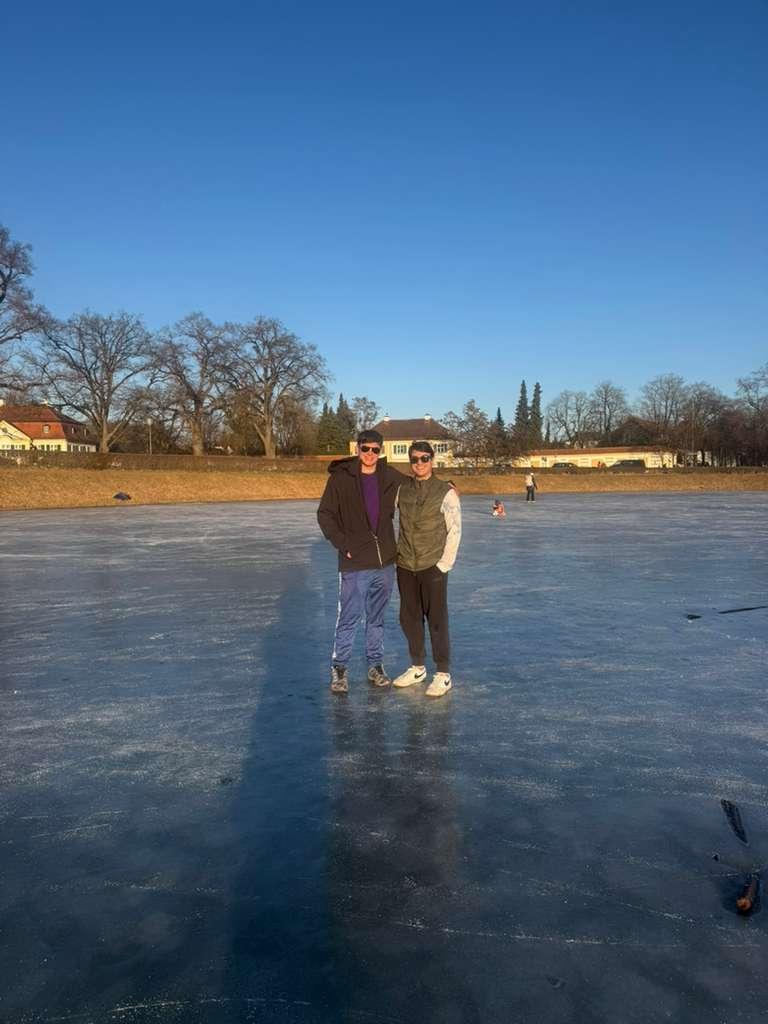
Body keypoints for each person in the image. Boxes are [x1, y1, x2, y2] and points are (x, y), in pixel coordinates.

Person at [317, 430, 402, 694]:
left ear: (381, 451)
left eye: (375, 450)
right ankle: (340, 668)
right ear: (357, 448)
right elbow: (325, 514)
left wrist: (447, 485)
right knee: (350, 617)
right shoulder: (341, 478)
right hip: (355, 564)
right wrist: (344, 544)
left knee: (376, 618)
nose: (370, 455)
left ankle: (375, 665)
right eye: (365, 449)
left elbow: (419, 483)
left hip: (385, 562)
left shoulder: (389, 476)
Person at [392, 441, 462, 698]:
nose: (419, 463)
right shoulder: (402, 489)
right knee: (409, 618)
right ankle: (417, 666)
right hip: (405, 564)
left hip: (432, 565)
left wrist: (443, 565)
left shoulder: (446, 492)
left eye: (424, 458)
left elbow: (455, 530)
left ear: (432, 459)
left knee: (436, 620)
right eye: (414, 459)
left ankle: (443, 673)